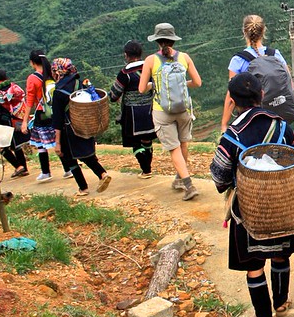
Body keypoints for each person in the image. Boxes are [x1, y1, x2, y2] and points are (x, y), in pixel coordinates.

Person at [210, 72, 294, 317]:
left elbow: (219, 174)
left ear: (233, 101)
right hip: (285, 205)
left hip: (250, 211)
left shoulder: (234, 134)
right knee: (281, 254)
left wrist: (227, 187)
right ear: (262, 95)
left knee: (254, 265)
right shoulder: (283, 126)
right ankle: (281, 303)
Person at [139, 23, 202, 200]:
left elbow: (142, 88)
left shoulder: (151, 61)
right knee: (183, 144)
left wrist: (155, 85)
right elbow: (197, 83)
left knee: (174, 148)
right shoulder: (184, 57)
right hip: (183, 109)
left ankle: (189, 185)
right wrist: (184, 84)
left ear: (157, 41)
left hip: (162, 111)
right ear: (173, 40)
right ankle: (179, 178)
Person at [50, 58, 112, 197]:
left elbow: (57, 119)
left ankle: (83, 188)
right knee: (87, 155)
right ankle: (102, 174)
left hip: (69, 130)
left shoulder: (59, 91)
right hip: (85, 124)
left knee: (68, 158)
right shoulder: (81, 82)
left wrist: (57, 142)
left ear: (58, 72)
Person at [220, 14, 290, 132]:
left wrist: (224, 124)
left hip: (250, 121)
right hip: (277, 119)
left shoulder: (238, 60)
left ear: (244, 32)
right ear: (264, 31)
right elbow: (289, 85)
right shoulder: (276, 54)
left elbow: (232, 96)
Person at [108, 40, 155, 178]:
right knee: (147, 140)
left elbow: (114, 95)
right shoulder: (150, 68)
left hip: (132, 113)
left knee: (135, 142)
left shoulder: (124, 73)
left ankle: (146, 170)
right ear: (140, 54)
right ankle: (148, 168)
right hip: (150, 110)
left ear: (126, 55)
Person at [20, 50, 65, 182]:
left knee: (40, 144)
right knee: (59, 140)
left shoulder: (32, 78)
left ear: (32, 62)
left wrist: (25, 121)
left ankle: (46, 172)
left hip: (41, 113)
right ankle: (68, 168)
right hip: (54, 111)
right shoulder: (52, 74)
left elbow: (29, 101)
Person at [0, 69, 29, 178]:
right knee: (17, 146)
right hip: (18, 121)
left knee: (3, 147)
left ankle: (18, 167)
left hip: (4, 124)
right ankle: (24, 168)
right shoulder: (14, 88)